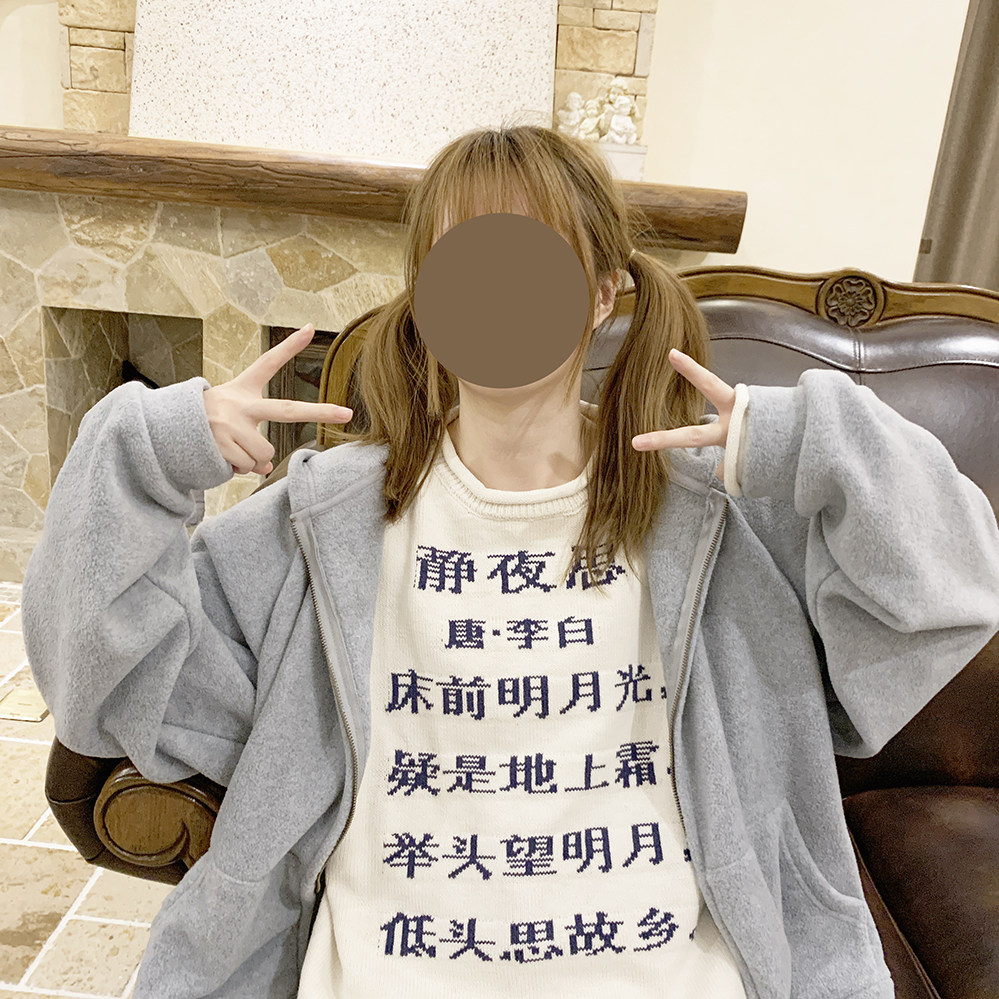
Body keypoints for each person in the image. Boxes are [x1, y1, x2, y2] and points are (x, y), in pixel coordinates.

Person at [20, 125, 999, 999]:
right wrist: (142, 457)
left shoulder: (719, 517)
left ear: (602, 292)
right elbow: (111, 686)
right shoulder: (323, 523)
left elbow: (947, 601)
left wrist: (820, 441)